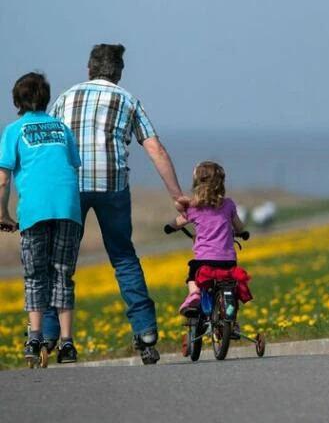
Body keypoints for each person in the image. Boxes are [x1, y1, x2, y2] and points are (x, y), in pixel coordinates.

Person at [43, 44, 189, 365]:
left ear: (89, 69)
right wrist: (177, 196)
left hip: (71, 187)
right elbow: (156, 150)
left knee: (61, 262)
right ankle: (146, 332)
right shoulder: (127, 100)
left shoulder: (64, 98)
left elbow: (48, 148)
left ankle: (51, 335)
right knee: (123, 257)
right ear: (119, 72)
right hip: (113, 186)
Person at [0, 73, 83, 365]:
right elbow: (72, 166)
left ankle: (34, 338)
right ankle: (67, 343)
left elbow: (2, 179)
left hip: (34, 210)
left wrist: (3, 214)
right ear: (46, 98)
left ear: (16, 101)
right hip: (68, 208)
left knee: (35, 275)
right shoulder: (62, 128)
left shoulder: (13, 130)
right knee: (62, 273)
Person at [166, 161, 248, 317]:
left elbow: (177, 223)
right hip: (228, 262)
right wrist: (242, 232)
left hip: (204, 261)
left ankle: (194, 294)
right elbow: (239, 227)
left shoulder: (193, 207)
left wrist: (169, 227)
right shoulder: (228, 204)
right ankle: (232, 322)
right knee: (231, 289)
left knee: (192, 276)